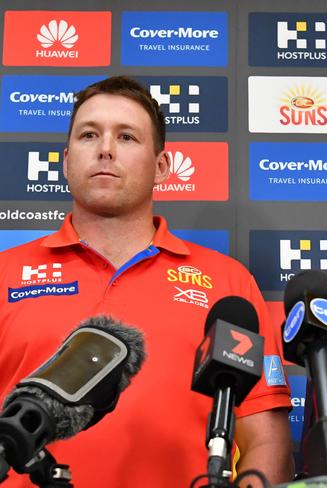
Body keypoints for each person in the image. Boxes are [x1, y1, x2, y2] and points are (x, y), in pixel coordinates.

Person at [0, 76, 294, 487]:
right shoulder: (5, 273)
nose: (105, 149)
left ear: (161, 166)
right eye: (89, 135)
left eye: (126, 137)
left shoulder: (227, 282)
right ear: (65, 161)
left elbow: (267, 441)